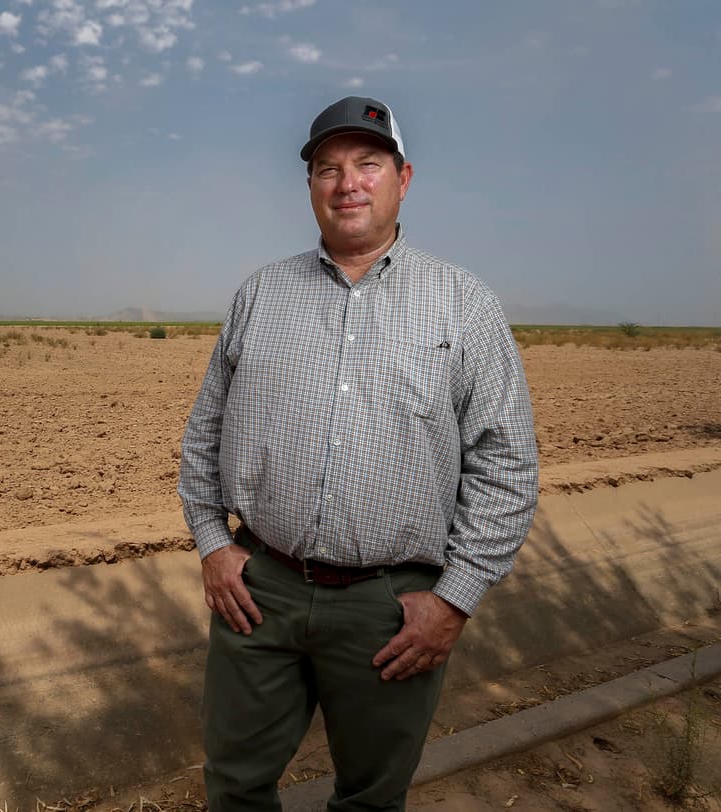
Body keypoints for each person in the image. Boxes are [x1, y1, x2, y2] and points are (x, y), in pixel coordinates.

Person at [177, 95, 539, 811]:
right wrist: (214, 544)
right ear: (310, 187)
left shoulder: (463, 303)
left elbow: (506, 466)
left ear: (403, 177)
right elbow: (203, 435)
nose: (348, 183)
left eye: (367, 164)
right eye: (327, 168)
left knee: (371, 797)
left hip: (393, 608)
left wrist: (454, 602)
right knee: (235, 786)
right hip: (260, 592)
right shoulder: (261, 295)